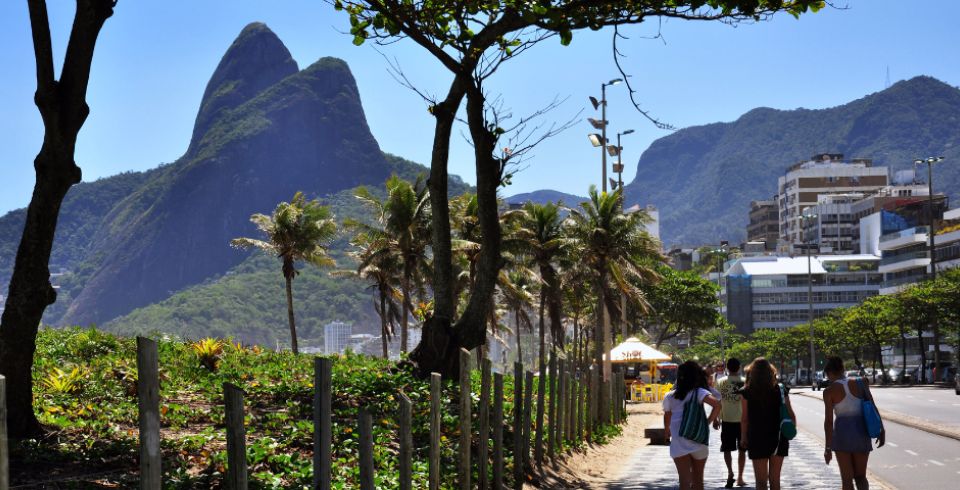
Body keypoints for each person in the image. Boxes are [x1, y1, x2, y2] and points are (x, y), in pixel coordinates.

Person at [822, 356, 885, 490]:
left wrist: (828, 448)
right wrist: (881, 429)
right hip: (862, 434)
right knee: (861, 477)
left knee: (846, 481)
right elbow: (873, 407)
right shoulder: (861, 382)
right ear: (842, 369)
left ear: (830, 373)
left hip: (842, 436)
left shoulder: (829, 391)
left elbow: (828, 422)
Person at [664, 360, 722, 490]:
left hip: (679, 442)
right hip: (698, 440)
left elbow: (667, 415)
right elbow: (717, 404)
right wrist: (708, 422)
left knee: (684, 482)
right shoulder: (699, 392)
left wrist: (666, 431)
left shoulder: (669, 396)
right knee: (698, 481)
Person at [740, 358, 795, 490]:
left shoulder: (746, 391)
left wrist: (743, 437)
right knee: (775, 480)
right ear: (771, 371)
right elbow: (791, 415)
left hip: (757, 438)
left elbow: (745, 419)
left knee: (760, 482)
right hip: (778, 437)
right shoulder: (781, 390)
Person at [715, 358, 747, 488]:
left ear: (727, 368)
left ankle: (730, 472)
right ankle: (740, 477)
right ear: (739, 367)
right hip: (742, 421)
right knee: (742, 450)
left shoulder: (720, 382)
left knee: (727, 449)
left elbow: (717, 401)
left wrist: (717, 418)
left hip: (726, 420)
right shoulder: (745, 382)